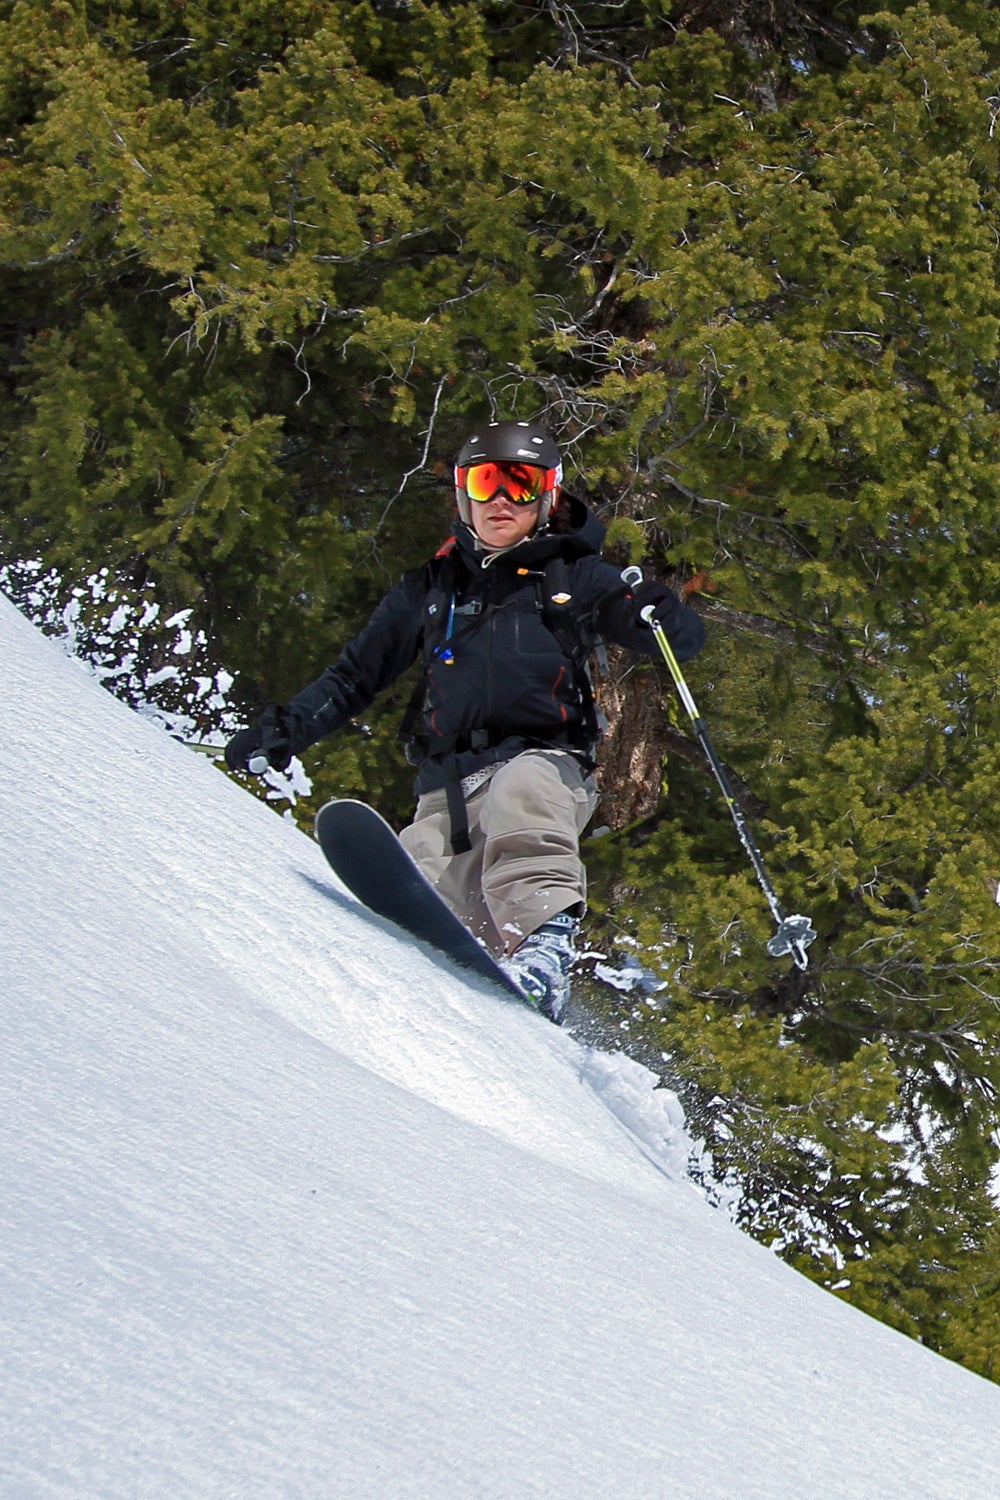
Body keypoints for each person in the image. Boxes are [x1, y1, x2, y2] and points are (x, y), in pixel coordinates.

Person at [226, 419, 705, 1021]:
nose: (500, 499)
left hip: (545, 761)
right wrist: (287, 729)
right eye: (485, 483)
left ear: (546, 495)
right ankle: (467, 1013)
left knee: (521, 797)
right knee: (424, 875)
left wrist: (662, 616)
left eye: (518, 483)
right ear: (463, 494)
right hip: (447, 783)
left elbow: (673, 636)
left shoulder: (574, 576)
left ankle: (543, 950)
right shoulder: (433, 587)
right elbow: (355, 675)